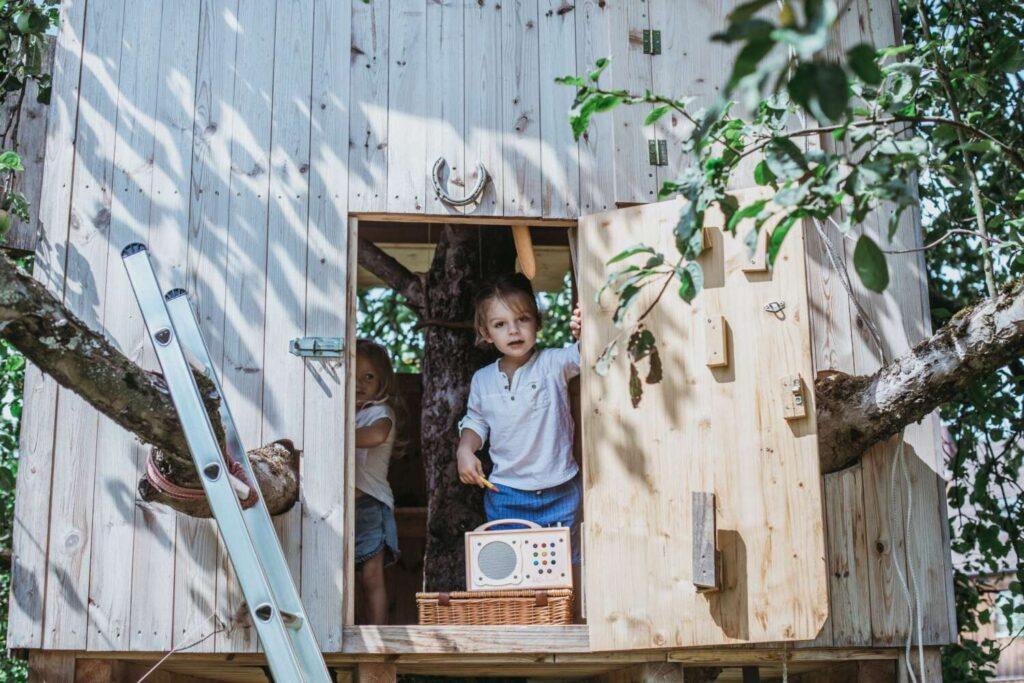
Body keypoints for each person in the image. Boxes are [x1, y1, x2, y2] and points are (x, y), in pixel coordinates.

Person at [456, 273, 583, 563]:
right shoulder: (483, 380)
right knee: (513, 575)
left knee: (562, 574)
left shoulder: (554, 363)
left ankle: (564, 612)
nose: (513, 331)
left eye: (522, 319)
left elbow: (586, 353)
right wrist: (465, 449)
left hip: (560, 491)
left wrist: (585, 330)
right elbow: (475, 421)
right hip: (506, 496)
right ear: (486, 332)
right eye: (500, 324)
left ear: (537, 321)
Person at [353, 338, 402, 624]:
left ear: (382, 382)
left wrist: (332, 431)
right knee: (348, 577)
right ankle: (354, 628)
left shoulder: (380, 412)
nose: (360, 383)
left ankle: (378, 633)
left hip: (371, 504)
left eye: (368, 376)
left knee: (372, 576)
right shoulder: (349, 413)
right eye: (354, 375)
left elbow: (375, 436)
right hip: (347, 505)